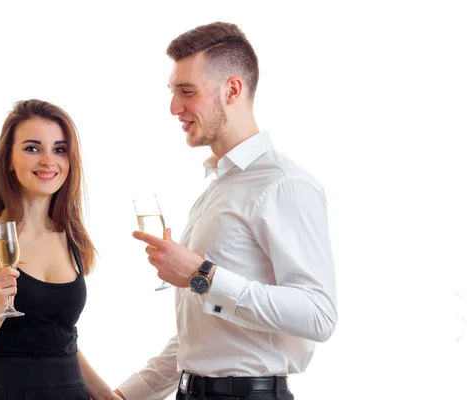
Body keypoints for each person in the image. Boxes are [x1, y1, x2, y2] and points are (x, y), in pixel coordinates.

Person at [115, 22, 338, 400]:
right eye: (173, 92)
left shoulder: (283, 185)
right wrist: (126, 395)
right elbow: (209, 338)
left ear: (232, 89)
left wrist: (203, 275)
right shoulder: (217, 188)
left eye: (187, 92)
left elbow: (319, 314)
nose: (174, 108)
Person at [0, 99, 121, 400]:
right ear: (8, 160)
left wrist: (105, 395)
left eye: (59, 149)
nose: (48, 160)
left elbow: (60, 339)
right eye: (32, 148)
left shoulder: (72, 237)